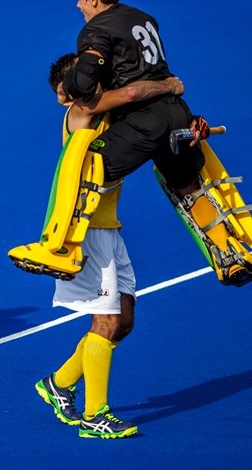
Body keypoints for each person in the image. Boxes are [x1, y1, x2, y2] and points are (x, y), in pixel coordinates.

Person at [8, 0, 252, 287]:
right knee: (186, 186)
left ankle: (59, 248)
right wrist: (175, 96)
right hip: (176, 113)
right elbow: (149, 75)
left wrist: (71, 82)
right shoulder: (145, 19)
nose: (78, 6)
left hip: (144, 120)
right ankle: (233, 250)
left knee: (87, 162)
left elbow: (89, 82)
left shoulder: (96, 30)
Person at [34, 53, 184, 439]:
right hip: (85, 235)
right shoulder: (80, 114)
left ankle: (58, 384)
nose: (59, 101)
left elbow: (144, 121)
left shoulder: (108, 115)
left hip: (109, 230)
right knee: (106, 321)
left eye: (63, 91)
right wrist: (167, 85)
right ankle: (94, 415)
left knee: (125, 321)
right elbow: (132, 93)